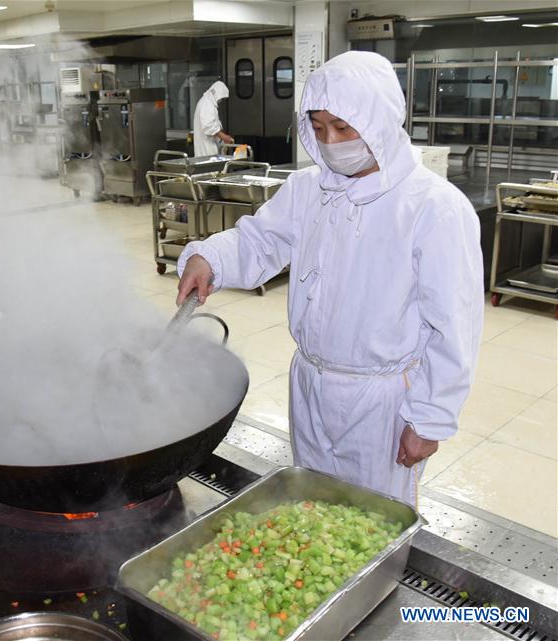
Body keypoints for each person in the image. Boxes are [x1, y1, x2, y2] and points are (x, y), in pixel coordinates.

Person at [176, 51, 483, 506]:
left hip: (380, 403)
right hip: (311, 385)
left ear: (379, 121)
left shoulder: (433, 207)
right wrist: (210, 258)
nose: (330, 142)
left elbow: (454, 326)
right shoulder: (308, 188)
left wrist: (429, 420)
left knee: (372, 517)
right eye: (318, 128)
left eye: (343, 127)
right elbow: (260, 240)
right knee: (314, 505)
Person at [193, 81, 234, 156]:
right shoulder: (207, 103)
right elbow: (209, 126)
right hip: (206, 151)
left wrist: (222, 141)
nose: (221, 100)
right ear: (217, 94)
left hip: (209, 150)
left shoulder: (208, 103)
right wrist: (224, 137)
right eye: (221, 98)